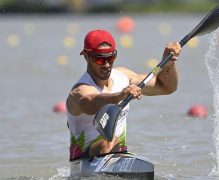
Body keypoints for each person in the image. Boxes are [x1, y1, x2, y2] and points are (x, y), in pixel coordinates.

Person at [66, 29, 181, 161]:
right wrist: (120, 95)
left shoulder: (124, 76)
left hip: (117, 152)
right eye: (99, 59)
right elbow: (90, 103)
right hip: (84, 159)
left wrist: (169, 64)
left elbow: (167, 88)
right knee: (109, 142)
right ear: (86, 56)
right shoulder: (80, 91)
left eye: (110, 57)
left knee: (112, 143)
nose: (107, 64)